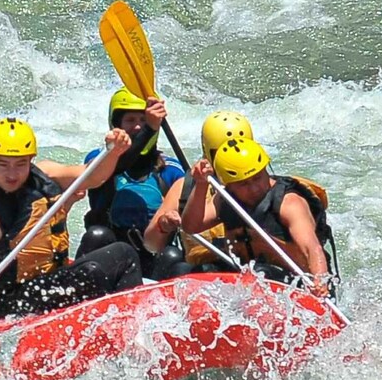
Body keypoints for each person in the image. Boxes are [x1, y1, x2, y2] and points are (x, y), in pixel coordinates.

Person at [0, 117, 143, 318]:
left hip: (48, 284)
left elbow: (93, 176)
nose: (12, 174)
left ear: (31, 159)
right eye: (3, 163)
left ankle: (119, 321)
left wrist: (114, 152)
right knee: (122, 254)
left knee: (102, 240)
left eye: (21, 163)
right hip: (11, 301)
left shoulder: (44, 174)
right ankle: (130, 324)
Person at [180, 137, 336, 297]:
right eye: (244, 184)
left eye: (257, 177)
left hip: (298, 282)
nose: (254, 188)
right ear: (228, 184)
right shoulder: (225, 199)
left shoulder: (289, 203)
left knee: (259, 275)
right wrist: (201, 184)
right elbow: (191, 226)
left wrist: (320, 282)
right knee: (187, 273)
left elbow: (311, 248)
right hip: (248, 281)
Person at [75, 88, 185, 279]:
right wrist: (148, 129)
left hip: (152, 255)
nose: (137, 127)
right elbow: (119, 163)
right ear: (116, 125)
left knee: (173, 256)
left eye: (143, 120)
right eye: (130, 121)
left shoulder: (171, 171)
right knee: (97, 235)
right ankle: (75, 291)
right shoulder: (101, 160)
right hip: (109, 255)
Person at [144, 110, 255, 277]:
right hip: (202, 274)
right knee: (175, 264)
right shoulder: (185, 187)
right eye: (222, 153)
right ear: (207, 152)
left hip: (253, 271)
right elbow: (150, 244)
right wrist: (164, 224)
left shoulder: (262, 186)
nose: (231, 159)